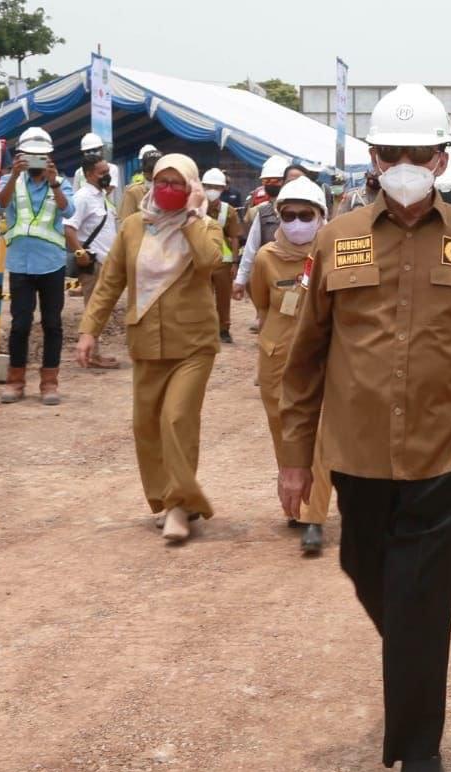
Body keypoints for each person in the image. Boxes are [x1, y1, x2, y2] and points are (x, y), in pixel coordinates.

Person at [276, 84, 451, 772]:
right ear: (373, 160)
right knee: (365, 566)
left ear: (443, 158)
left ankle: (420, 749)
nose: (407, 166)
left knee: (421, 589)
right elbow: (306, 356)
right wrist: (294, 456)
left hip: (445, 449)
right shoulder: (338, 237)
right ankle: (414, 650)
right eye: (393, 155)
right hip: (356, 451)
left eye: (420, 155)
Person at [76, 154, 225, 543]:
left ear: (192, 187)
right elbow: (110, 282)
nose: (168, 190)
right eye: (163, 182)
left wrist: (192, 216)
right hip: (146, 341)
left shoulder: (208, 226)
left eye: (178, 184)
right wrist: (89, 330)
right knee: (146, 426)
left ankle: (180, 504)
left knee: (176, 419)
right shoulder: (132, 227)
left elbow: (211, 262)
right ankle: (164, 499)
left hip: (193, 343)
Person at [247, 176, 333, 555]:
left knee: (322, 436)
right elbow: (261, 304)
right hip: (278, 360)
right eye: (289, 215)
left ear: (320, 216)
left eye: (305, 215)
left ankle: (316, 516)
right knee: (285, 433)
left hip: (323, 360)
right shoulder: (266, 258)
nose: (297, 222)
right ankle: (294, 503)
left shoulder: (333, 254)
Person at [0, 127, 75, 405]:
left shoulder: (61, 183)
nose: (36, 161)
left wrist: (54, 183)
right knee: (20, 324)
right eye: (31, 156)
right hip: (20, 264)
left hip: (51, 265)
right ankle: (15, 381)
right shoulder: (11, 180)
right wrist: (14, 175)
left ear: (50, 157)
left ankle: (49, 382)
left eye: (41, 156)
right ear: (21, 156)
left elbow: (69, 211)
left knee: (52, 324)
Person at [64, 155, 119, 370]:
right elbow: (69, 228)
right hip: (93, 263)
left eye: (107, 171)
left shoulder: (101, 197)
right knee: (94, 309)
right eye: (101, 172)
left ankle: (95, 352)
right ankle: (92, 355)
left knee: (100, 309)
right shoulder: (83, 197)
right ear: (88, 174)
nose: (106, 176)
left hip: (106, 262)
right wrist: (80, 252)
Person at [234, 161, 308, 301]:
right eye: (291, 181)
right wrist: (240, 279)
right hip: (272, 276)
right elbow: (251, 248)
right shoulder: (263, 212)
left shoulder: (316, 213)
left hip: (304, 277)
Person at [202, 168, 242, 343]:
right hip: (200, 261)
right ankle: (203, 330)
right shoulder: (195, 208)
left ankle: (224, 329)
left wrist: (234, 262)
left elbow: (234, 238)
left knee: (223, 297)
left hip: (223, 263)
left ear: (223, 189)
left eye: (216, 187)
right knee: (201, 297)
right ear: (202, 186)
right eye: (209, 186)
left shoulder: (229, 211)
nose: (212, 190)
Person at [73, 132, 121, 201]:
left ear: (101, 149)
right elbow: (75, 195)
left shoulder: (111, 168)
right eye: (88, 151)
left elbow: (108, 189)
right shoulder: (79, 173)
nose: (91, 153)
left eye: (95, 150)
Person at [118, 144, 161, 220]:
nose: (153, 173)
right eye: (150, 170)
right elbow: (125, 221)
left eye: (156, 168)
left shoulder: (169, 188)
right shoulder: (134, 191)